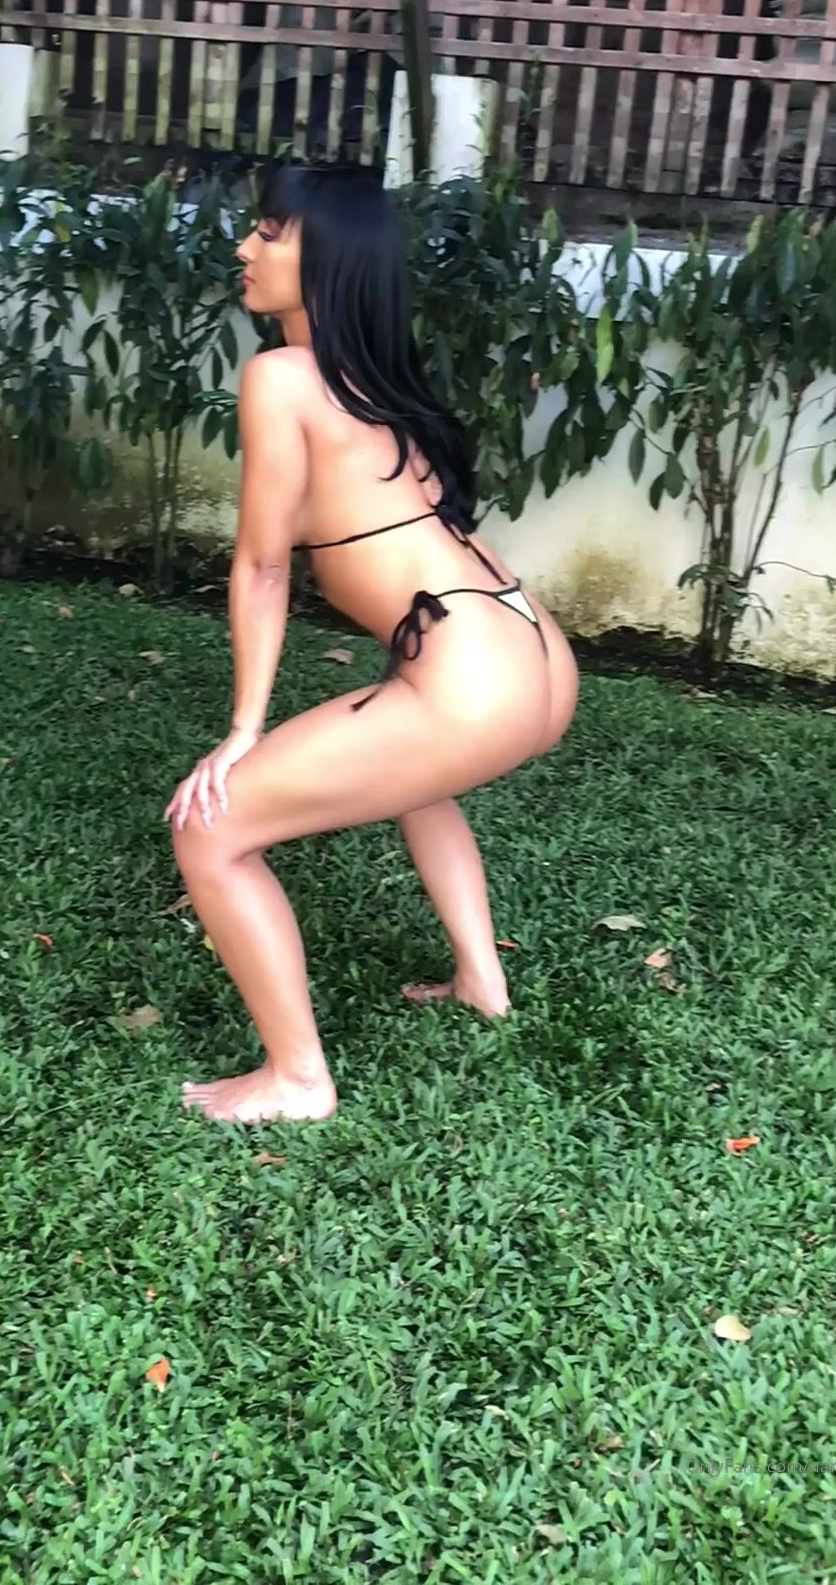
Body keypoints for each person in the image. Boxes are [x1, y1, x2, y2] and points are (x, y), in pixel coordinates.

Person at [165, 164, 579, 1125]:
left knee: (208, 832)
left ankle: (297, 1079)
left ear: (329, 257)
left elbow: (262, 565)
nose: (246, 247)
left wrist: (242, 732)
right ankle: (482, 980)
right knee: (412, 772)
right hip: (534, 658)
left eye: (270, 232)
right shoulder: (378, 381)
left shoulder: (282, 378)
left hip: (470, 673)